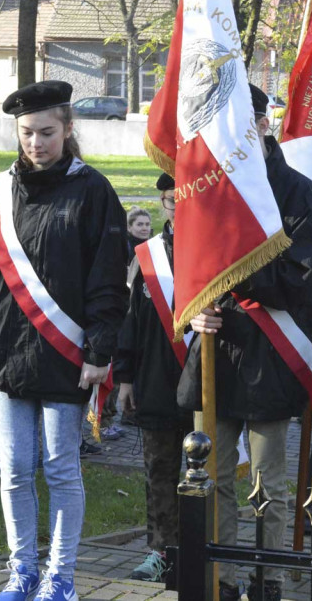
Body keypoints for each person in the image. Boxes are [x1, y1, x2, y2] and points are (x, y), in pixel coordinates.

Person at [0, 80, 128, 601]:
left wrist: (100, 351)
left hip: (68, 353)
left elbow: (106, 280)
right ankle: (22, 572)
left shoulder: (94, 190)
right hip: (8, 352)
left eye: (47, 132)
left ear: (68, 129)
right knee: (12, 473)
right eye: (28, 133)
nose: (36, 143)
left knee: (60, 469)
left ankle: (61, 577)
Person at [183, 84, 312, 601]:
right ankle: (218, 579)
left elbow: (304, 282)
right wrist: (195, 309)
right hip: (215, 351)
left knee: (267, 483)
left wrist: (240, 278)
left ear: (264, 125)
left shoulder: (299, 192)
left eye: (245, 124)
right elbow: (187, 269)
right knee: (212, 477)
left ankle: (268, 580)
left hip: (272, 352)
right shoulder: (206, 188)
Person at [114, 173, 193, 583]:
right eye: (170, 198)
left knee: (208, 478)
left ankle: (201, 551)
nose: (178, 204)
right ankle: (161, 551)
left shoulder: (220, 249)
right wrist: (124, 377)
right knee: (160, 472)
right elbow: (132, 322)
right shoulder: (148, 256)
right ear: (163, 202)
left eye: (185, 195)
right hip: (156, 380)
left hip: (206, 385)